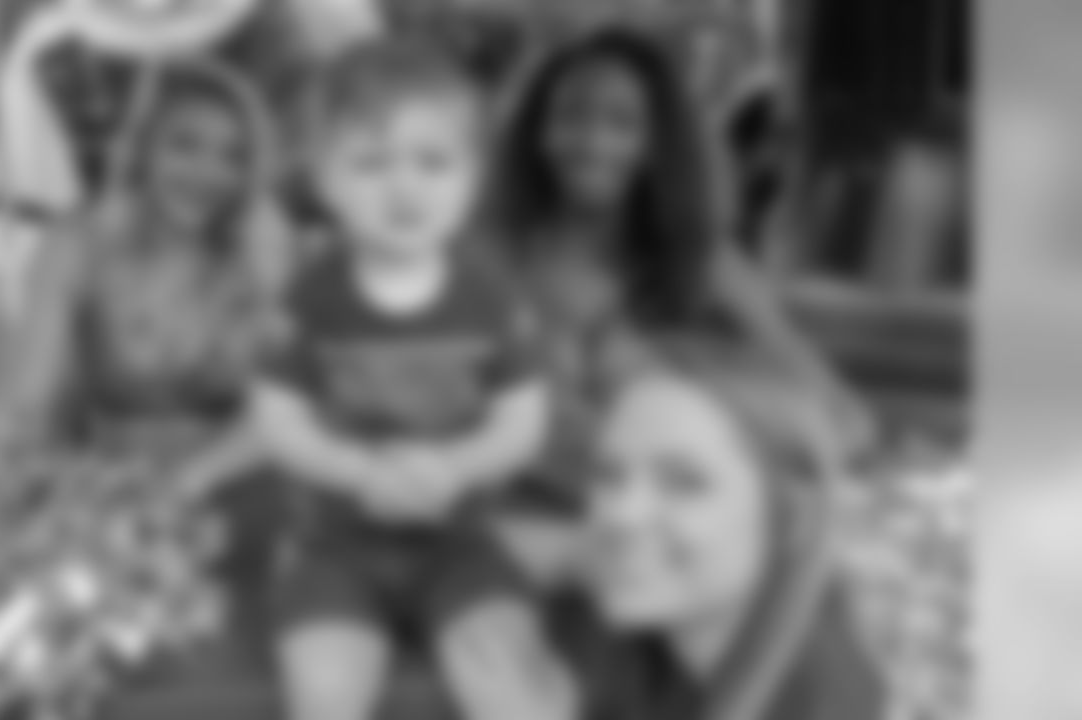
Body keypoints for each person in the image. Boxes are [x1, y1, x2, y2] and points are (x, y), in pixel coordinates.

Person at [254, 39, 577, 720]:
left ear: (473, 178)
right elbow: (276, 418)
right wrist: (358, 471)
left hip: (463, 543)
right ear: (325, 180)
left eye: (433, 162)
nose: (405, 188)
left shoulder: (493, 295)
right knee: (324, 686)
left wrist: (456, 467)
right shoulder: (310, 297)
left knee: (512, 682)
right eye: (371, 164)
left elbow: (523, 420)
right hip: (333, 546)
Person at [497, 28, 870, 455]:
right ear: (536, 131)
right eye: (571, 116)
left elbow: (846, 417)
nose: (593, 141)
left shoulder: (703, 260)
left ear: (660, 143)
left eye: (622, 123)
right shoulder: (495, 252)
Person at [0, 60, 280, 505]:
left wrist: (180, 486)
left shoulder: (265, 248)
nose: (208, 173)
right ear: (143, 148)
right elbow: (27, 404)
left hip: (243, 490)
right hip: (108, 493)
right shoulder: (78, 244)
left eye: (234, 157)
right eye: (184, 145)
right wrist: (24, 482)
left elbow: (288, 411)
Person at [561, 366, 886, 720]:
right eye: (608, 475)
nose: (620, 514)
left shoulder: (821, 704)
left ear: (794, 515)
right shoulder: (643, 653)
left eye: (683, 483)